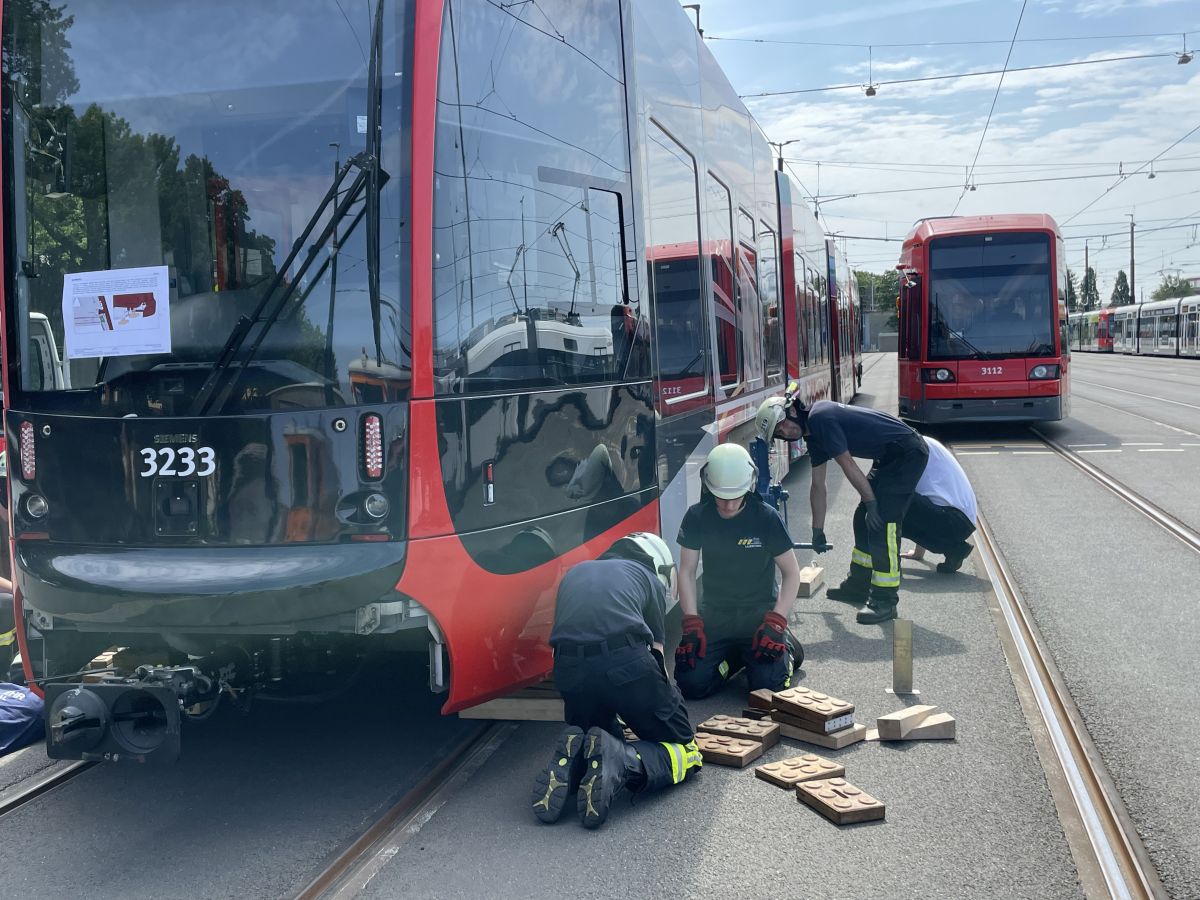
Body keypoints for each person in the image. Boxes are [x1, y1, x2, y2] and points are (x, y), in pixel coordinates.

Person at [530, 532, 702, 829]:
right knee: (687, 751)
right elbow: (656, 658)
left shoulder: (576, 573)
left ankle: (576, 763)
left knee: (598, 737)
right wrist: (668, 701)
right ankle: (623, 761)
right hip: (625, 662)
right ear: (658, 564)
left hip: (569, 670)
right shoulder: (647, 577)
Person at [756, 395, 928, 625]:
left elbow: (846, 463)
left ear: (793, 411)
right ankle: (859, 585)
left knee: (884, 524)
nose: (786, 432)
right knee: (861, 518)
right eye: (779, 433)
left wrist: (871, 502)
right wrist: (817, 530)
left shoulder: (820, 418)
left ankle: (885, 601)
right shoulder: (813, 436)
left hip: (908, 453)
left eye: (783, 424)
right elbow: (818, 485)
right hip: (889, 457)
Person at [673, 443, 803, 700]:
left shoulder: (766, 518)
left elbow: (792, 573)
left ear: (749, 486)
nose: (729, 505)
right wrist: (691, 621)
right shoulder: (697, 517)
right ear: (708, 486)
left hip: (759, 617)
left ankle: (788, 647)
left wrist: (777, 621)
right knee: (691, 684)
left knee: (767, 687)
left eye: (736, 496)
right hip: (715, 616)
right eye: (722, 497)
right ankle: (734, 659)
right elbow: (686, 571)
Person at [899, 436, 977, 573]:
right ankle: (954, 549)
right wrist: (918, 553)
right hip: (961, 520)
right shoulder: (920, 443)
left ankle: (953, 548)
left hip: (953, 520)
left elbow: (908, 499)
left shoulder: (910, 451)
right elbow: (926, 495)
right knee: (903, 500)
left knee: (893, 499)